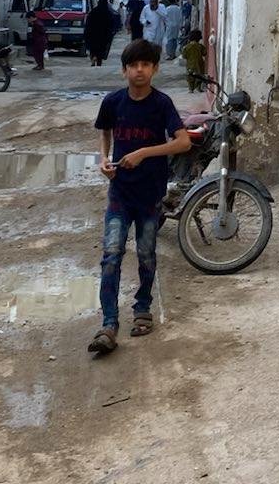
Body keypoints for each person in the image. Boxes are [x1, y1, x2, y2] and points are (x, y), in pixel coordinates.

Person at [88, 39, 189, 354]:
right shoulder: (113, 102)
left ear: (155, 69)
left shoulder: (162, 104)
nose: (139, 70)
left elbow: (183, 142)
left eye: (146, 65)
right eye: (134, 65)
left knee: (146, 254)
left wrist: (145, 152)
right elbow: (105, 132)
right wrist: (104, 159)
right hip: (120, 192)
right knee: (111, 255)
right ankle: (108, 324)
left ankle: (142, 306)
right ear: (124, 70)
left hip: (149, 194)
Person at [84, 0, 116, 67]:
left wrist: (87, 33)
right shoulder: (108, 13)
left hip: (93, 35)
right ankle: (99, 62)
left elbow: (88, 24)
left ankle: (93, 58)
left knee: (93, 49)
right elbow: (112, 25)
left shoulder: (93, 12)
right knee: (101, 50)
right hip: (103, 36)